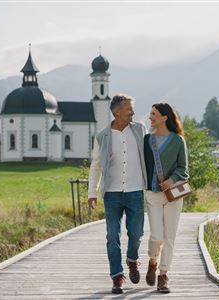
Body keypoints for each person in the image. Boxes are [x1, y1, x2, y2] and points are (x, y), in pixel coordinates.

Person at [88, 94, 147, 294]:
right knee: (112, 235)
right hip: (112, 193)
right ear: (117, 112)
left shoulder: (140, 130)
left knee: (136, 234)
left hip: (136, 190)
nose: (133, 112)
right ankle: (117, 276)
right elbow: (95, 165)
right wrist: (92, 192)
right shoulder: (102, 136)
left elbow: (150, 155)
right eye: (129, 109)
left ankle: (132, 259)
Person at [143, 103, 190, 293]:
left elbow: (183, 169)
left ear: (164, 117)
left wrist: (172, 180)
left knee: (169, 237)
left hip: (173, 195)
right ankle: (152, 260)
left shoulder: (178, 141)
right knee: (156, 236)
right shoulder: (146, 140)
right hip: (153, 194)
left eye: (154, 114)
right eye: (150, 114)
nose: (150, 117)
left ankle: (163, 275)